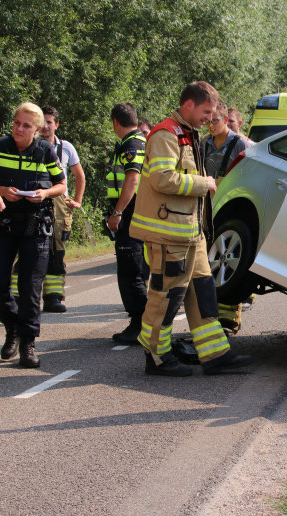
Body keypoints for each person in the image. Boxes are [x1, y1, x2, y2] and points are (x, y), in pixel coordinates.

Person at [130, 81, 252, 377]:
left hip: (190, 234)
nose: (210, 119)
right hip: (168, 235)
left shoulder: (189, 134)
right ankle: (156, 357)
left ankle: (215, 355)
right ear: (189, 105)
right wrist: (203, 184)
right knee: (165, 297)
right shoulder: (165, 134)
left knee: (202, 293)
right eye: (206, 111)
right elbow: (162, 179)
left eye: (213, 114)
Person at [0, 102, 66, 368]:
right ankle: (13, 327)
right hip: (2, 223)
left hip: (35, 224)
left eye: (26, 125)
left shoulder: (45, 150)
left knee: (30, 286)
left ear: (37, 129)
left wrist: (44, 194)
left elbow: (61, 184)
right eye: (17, 123)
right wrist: (1, 190)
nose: (19, 128)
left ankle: (28, 344)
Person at [106, 103, 150, 345]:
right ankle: (141, 322)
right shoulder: (138, 140)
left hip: (131, 215)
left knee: (131, 271)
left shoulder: (131, 143)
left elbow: (132, 181)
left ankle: (139, 324)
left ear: (115, 122)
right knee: (135, 270)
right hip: (135, 214)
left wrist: (117, 211)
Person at [35, 105, 86, 313]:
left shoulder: (66, 147)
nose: (45, 126)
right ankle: (20, 297)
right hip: (34, 200)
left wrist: (77, 200)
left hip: (58, 202)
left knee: (57, 250)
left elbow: (79, 176)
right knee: (29, 248)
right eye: (42, 121)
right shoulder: (28, 144)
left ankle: (53, 297)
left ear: (56, 124)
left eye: (49, 122)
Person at [205, 101, 249, 334]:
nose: (211, 125)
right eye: (209, 121)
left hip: (230, 209)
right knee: (212, 262)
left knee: (228, 260)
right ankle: (212, 316)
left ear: (225, 120)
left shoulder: (240, 143)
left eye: (216, 121)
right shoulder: (205, 144)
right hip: (209, 208)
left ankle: (230, 319)